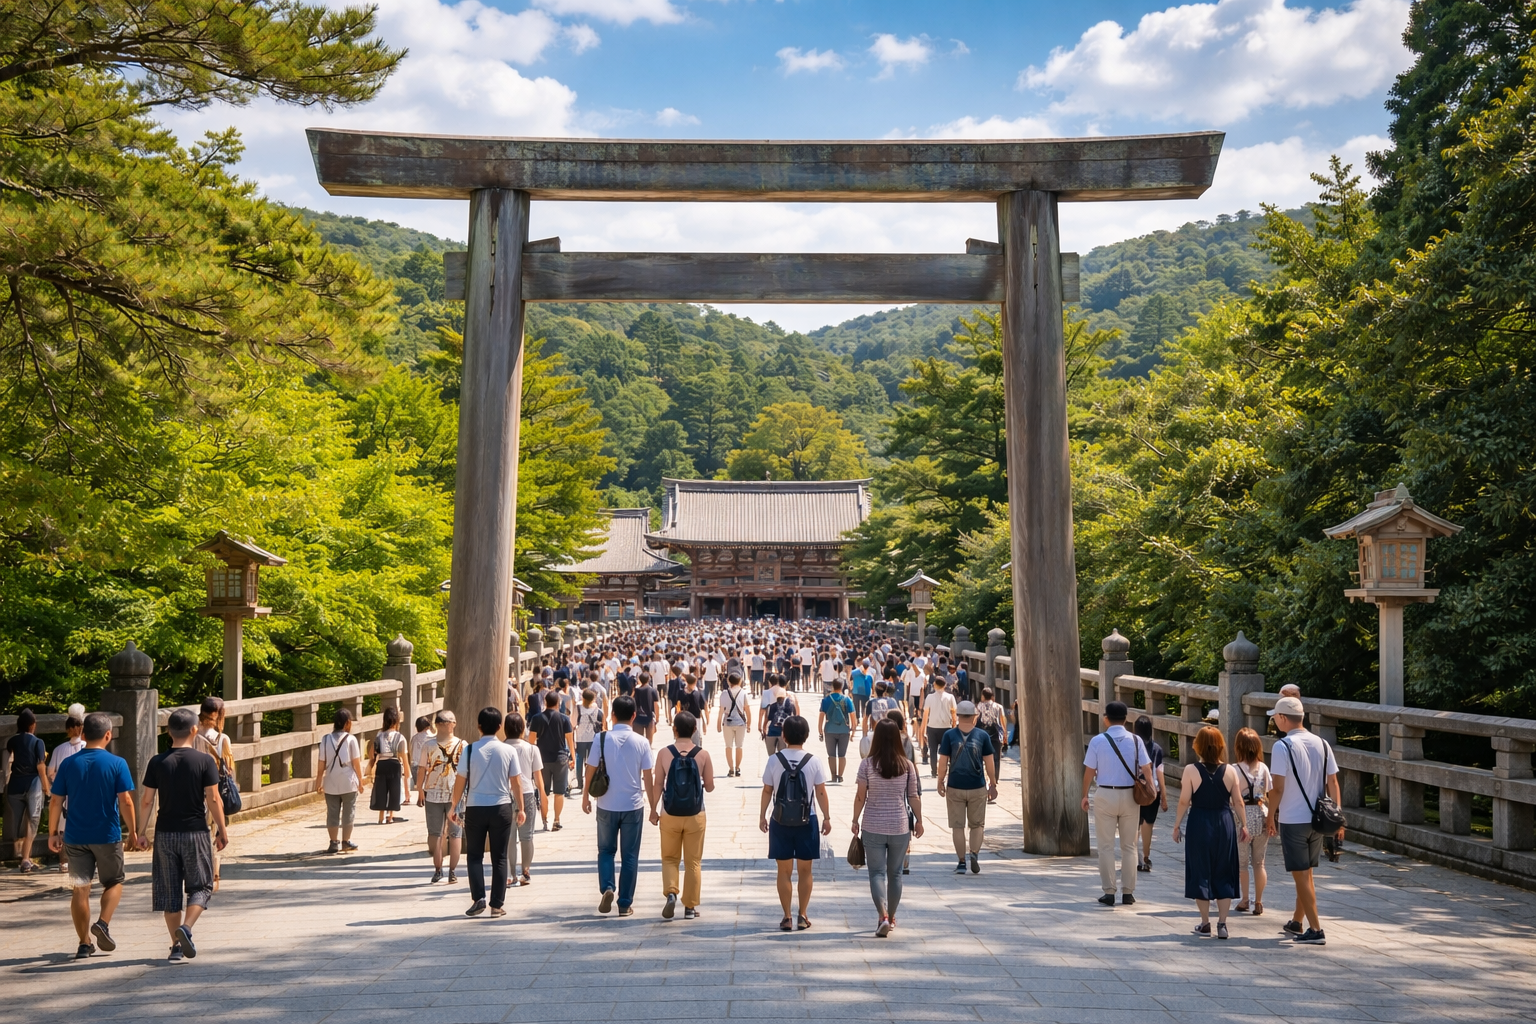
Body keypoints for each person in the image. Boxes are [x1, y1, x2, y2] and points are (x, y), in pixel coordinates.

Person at [137, 708, 228, 961]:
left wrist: (140, 832)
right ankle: (186, 928)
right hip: (195, 832)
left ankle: (176, 946)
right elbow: (213, 798)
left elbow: (146, 801)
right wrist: (222, 828)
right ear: (194, 730)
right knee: (202, 886)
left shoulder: (157, 762)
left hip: (165, 834)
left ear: (168, 732)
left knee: (169, 892)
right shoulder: (204, 761)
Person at [47, 713, 138, 959]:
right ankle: (103, 923)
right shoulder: (117, 763)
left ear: (83, 735)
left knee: (80, 889)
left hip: (75, 837)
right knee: (114, 881)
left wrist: (53, 832)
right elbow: (126, 801)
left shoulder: (68, 763)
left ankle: (84, 943)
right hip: (107, 835)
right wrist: (133, 831)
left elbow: (56, 801)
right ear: (108, 735)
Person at [1267, 695, 1341, 945]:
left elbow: (1277, 788)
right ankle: (1298, 920)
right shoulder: (1322, 743)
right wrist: (1338, 815)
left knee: (1301, 876)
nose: (1275, 721)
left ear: (1283, 718)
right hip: (1319, 819)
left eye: (1275, 717)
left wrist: (1270, 816)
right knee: (1306, 874)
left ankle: (1316, 929)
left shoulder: (1282, 746)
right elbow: (1333, 782)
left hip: (1293, 818)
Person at [447, 707, 525, 917]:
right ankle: (497, 905)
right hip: (501, 807)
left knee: (474, 856)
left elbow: (460, 782)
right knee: (499, 857)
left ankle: (478, 898)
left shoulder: (470, 750)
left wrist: (454, 807)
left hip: (475, 807)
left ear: (478, 726)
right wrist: (521, 808)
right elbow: (516, 783)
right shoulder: (508, 751)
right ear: (500, 727)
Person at [582, 695, 655, 917]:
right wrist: (653, 806)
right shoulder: (642, 742)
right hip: (633, 804)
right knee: (630, 855)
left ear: (612, 715)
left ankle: (607, 887)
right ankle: (624, 904)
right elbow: (648, 777)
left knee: (605, 851)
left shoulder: (601, 739)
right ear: (634, 716)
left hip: (606, 804)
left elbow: (590, 769)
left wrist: (585, 797)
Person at [1172, 725, 1248, 939]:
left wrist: (1177, 825)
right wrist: (1244, 825)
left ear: (1198, 746)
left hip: (1199, 821)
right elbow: (1238, 801)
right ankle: (1222, 923)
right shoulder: (1231, 771)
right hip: (1224, 822)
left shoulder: (1190, 770)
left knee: (1200, 870)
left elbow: (1184, 800)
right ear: (1221, 746)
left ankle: (1205, 922)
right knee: (1224, 869)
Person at [851, 719, 923, 937]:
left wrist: (855, 819)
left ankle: (882, 916)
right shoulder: (907, 765)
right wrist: (919, 820)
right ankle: (891, 918)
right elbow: (913, 796)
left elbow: (860, 795)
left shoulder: (867, 764)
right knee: (896, 874)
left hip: (873, 824)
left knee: (876, 873)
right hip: (900, 825)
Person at [759, 715, 832, 932]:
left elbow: (767, 790)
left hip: (780, 820)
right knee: (805, 870)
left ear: (784, 735)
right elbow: (820, 791)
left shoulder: (774, 760)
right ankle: (802, 914)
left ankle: (786, 916)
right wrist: (827, 817)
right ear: (807, 736)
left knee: (783, 871)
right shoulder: (813, 760)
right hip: (806, 819)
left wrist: (762, 815)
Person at [1081, 700, 1156, 906]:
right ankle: (1128, 892)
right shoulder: (1136, 740)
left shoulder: (1098, 741)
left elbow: (1089, 771)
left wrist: (1084, 794)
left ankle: (1109, 891)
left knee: (1105, 846)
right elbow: (1146, 767)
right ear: (1126, 719)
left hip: (1106, 793)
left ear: (1106, 719)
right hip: (1131, 796)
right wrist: (1152, 787)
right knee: (1129, 846)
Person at [648, 711, 716, 920]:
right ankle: (690, 907)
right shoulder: (702, 754)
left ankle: (671, 892)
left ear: (674, 729)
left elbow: (658, 783)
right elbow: (711, 787)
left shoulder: (664, 753)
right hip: (696, 813)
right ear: (695, 730)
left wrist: (653, 810)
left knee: (669, 858)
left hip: (670, 813)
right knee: (693, 861)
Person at [936, 701, 998, 875]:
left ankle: (962, 862)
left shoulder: (949, 735)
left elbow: (943, 761)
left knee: (957, 826)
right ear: (974, 717)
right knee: (977, 825)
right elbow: (990, 763)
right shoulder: (982, 736)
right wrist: (992, 784)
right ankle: (975, 854)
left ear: (957, 716)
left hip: (955, 786)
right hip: (977, 786)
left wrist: (940, 780)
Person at [415, 710, 464, 884]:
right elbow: (421, 768)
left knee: (443, 834)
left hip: (442, 794)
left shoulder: (429, 745)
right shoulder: (461, 744)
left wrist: (420, 789)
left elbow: (421, 769)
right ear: (446, 724)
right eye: (451, 721)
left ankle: (441, 871)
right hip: (451, 795)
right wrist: (420, 789)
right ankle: (448, 871)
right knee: (449, 834)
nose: (452, 724)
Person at [1232, 726, 1272, 915]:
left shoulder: (1234, 769)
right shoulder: (1263, 768)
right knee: (1259, 863)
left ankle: (1245, 899)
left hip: (1242, 818)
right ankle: (1259, 901)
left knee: (1242, 863)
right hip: (1261, 813)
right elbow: (1268, 793)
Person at [196, 697, 235, 890]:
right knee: (212, 832)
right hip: (214, 792)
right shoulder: (222, 739)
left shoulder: (190, 735)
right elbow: (229, 770)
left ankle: (200, 869)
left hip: (192, 792)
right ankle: (211, 871)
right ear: (220, 715)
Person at [5, 708, 51, 873]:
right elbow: (40, 766)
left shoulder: (11, 741)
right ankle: (25, 859)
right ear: (32, 725)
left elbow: (9, 761)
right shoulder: (38, 742)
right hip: (32, 784)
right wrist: (46, 787)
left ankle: (21, 854)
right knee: (32, 820)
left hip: (14, 785)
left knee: (17, 822)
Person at [502, 713, 544, 887]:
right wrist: (542, 795)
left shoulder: (501, 748)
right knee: (527, 836)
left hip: (505, 793)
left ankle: (510, 874)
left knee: (510, 837)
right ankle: (525, 871)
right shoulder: (532, 748)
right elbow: (538, 776)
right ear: (522, 729)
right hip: (526, 793)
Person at [317, 709, 364, 854]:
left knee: (332, 812)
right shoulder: (351, 740)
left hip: (330, 781)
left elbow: (321, 764)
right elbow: (356, 763)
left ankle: (333, 843)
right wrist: (361, 782)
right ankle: (345, 841)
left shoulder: (325, 739)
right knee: (348, 812)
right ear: (347, 723)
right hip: (348, 781)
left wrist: (318, 781)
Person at [47, 709, 88, 874]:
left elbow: (51, 771)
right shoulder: (88, 746)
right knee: (84, 824)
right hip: (84, 791)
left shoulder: (59, 749)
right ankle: (84, 858)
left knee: (63, 826)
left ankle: (64, 861)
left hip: (64, 792)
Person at [528, 692, 574, 831]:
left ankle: (544, 820)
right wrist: (572, 757)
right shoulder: (565, 719)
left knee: (543, 791)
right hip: (560, 758)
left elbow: (531, 741)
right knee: (559, 791)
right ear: (558, 703)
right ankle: (556, 820)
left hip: (542, 760)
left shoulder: (537, 718)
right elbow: (570, 741)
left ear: (545, 702)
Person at [1132, 716, 1168, 872]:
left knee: (1133, 825)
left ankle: (1134, 857)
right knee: (1148, 824)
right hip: (1152, 792)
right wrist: (1164, 798)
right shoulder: (1157, 749)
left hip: (1133, 789)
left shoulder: (1131, 746)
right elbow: (1160, 775)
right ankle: (1146, 857)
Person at [367, 705, 411, 825]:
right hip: (395, 763)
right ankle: (390, 816)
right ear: (397, 721)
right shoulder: (400, 737)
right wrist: (407, 776)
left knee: (381, 790)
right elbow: (404, 758)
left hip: (382, 764)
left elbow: (372, 753)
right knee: (394, 789)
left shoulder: (379, 735)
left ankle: (381, 816)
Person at [818, 678, 856, 783]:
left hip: (829, 730)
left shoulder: (826, 700)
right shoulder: (847, 700)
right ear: (842, 686)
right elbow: (853, 716)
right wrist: (853, 731)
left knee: (831, 755)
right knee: (842, 755)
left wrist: (820, 730)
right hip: (844, 730)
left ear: (832, 686)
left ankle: (833, 775)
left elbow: (821, 715)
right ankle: (840, 775)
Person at [918, 675, 957, 775]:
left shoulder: (929, 697)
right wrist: (954, 727)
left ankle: (934, 771)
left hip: (932, 727)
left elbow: (926, 714)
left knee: (933, 750)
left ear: (934, 685)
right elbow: (954, 715)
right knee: (946, 751)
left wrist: (923, 730)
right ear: (945, 685)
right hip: (946, 727)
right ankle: (946, 769)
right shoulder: (950, 697)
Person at [716, 671, 751, 778]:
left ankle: (731, 769)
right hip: (740, 723)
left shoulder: (724, 694)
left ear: (728, 681)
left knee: (728, 746)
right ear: (740, 681)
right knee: (739, 746)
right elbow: (747, 710)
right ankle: (737, 768)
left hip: (727, 723)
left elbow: (721, 711)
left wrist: (718, 724)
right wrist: (749, 723)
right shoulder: (743, 693)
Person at [975, 688, 1008, 794]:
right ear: (992, 696)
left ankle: (982, 778)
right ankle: (995, 780)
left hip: (981, 734)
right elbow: (1002, 721)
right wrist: (1005, 735)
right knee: (996, 758)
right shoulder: (999, 707)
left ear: (983, 696)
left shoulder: (979, 706)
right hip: (995, 734)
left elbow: (975, 719)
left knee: (980, 757)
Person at [573, 689, 606, 791]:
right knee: (592, 761)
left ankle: (580, 783)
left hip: (580, 737)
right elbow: (602, 722)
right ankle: (592, 780)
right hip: (593, 737)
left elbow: (573, 723)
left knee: (580, 760)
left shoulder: (578, 708)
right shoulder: (597, 708)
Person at [760, 678, 798, 756]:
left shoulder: (771, 706)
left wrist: (763, 730)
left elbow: (767, 719)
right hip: (784, 732)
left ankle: (773, 766)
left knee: (771, 755)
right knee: (783, 755)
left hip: (771, 732)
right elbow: (795, 717)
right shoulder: (791, 706)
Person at [633, 671, 660, 742]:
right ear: (648, 679)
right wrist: (657, 717)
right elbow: (656, 705)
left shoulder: (636, 690)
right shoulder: (653, 690)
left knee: (638, 741)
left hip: (638, 718)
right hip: (649, 717)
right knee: (649, 741)